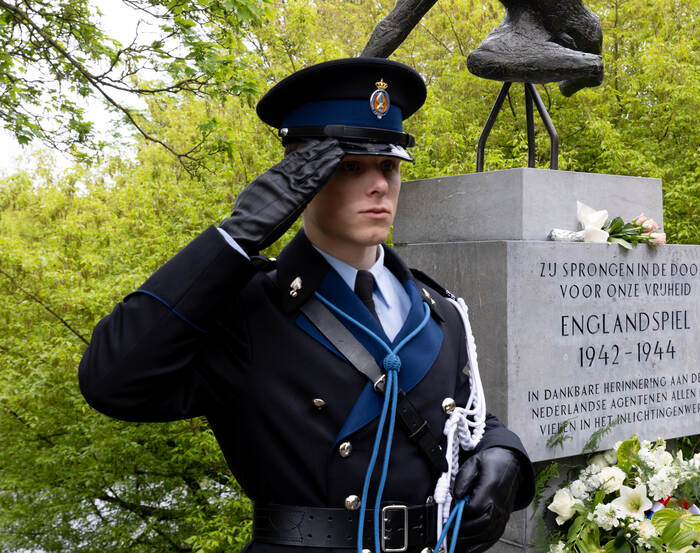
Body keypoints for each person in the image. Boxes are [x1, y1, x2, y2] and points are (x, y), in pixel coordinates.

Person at [79, 57, 534, 553]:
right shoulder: (248, 310)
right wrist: (236, 237)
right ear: (301, 179)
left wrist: (504, 453)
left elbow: (465, 417)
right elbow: (112, 381)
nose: (379, 184)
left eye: (388, 166)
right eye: (350, 167)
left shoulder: (438, 307)